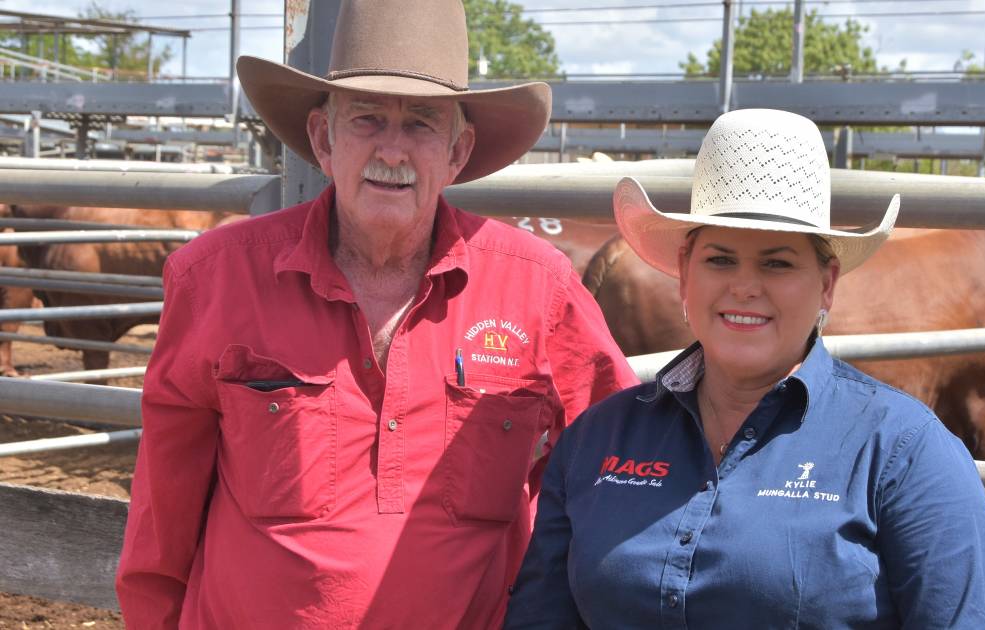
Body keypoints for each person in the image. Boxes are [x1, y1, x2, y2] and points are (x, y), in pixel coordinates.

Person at [114, 1, 638, 627]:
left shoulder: (537, 286)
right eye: (366, 118)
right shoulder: (216, 278)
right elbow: (161, 511)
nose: (392, 149)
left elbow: (618, 456)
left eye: (421, 123)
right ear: (322, 139)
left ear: (457, 150)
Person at [504, 109, 985, 629]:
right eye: (720, 260)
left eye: (777, 263)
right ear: (684, 276)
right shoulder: (596, 440)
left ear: (827, 283)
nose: (744, 287)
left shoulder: (904, 453)